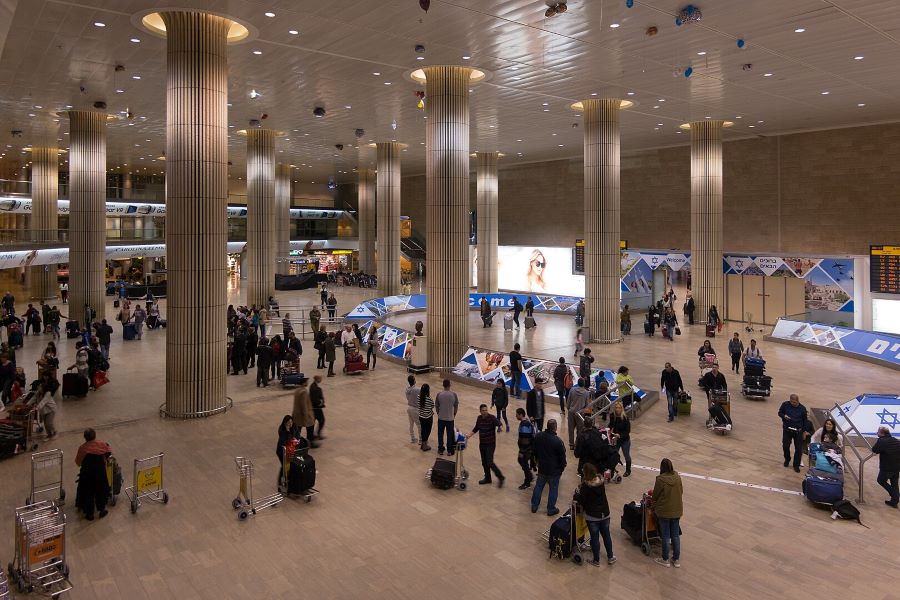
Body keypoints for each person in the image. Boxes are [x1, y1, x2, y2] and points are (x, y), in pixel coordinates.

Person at [574, 463, 616, 567]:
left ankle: (596, 560)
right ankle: (610, 557)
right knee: (606, 536)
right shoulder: (601, 482)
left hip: (592, 516)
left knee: (595, 538)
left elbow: (581, 500)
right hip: (605, 513)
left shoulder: (586, 486)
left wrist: (577, 494)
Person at [530, 419, 566, 516]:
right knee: (553, 489)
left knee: (539, 486)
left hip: (542, 468)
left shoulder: (538, 436)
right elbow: (562, 457)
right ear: (555, 427)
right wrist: (562, 468)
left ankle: (534, 505)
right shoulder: (558, 441)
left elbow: (534, 451)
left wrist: (537, 462)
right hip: (554, 471)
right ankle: (550, 509)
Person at [652, 458, 684, 568]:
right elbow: (681, 491)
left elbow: (655, 495)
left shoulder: (660, 479)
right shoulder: (677, 477)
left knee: (665, 536)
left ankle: (665, 559)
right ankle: (676, 559)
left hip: (664, 511)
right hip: (677, 510)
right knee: (675, 535)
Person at [75, 428, 111, 520]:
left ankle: (89, 514)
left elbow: (78, 462)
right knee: (101, 489)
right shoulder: (102, 444)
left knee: (88, 491)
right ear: (95, 435)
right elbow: (108, 451)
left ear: (85, 438)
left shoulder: (82, 448)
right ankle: (102, 510)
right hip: (100, 472)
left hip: (87, 474)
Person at [466, 404, 505, 487]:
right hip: (482, 444)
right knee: (484, 462)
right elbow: (476, 428)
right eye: (483, 410)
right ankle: (488, 478)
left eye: (486, 410)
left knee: (490, 462)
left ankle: (500, 477)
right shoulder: (479, 418)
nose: (485, 412)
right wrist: (469, 435)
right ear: (480, 411)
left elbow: (499, 423)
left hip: (490, 444)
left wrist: (500, 427)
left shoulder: (492, 417)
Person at [778, 394, 808, 472]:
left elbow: (805, 421)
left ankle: (796, 465)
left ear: (798, 401)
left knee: (798, 449)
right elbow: (780, 413)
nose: (793, 404)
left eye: (794, 402)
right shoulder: (785, 404)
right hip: (787, 430)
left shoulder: (803, 409)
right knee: (785, 446)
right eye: (791, 402)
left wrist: (804, 431)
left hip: (798, 431)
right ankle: (787, 459)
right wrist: (784, 416)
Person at [872, 426, 900, 508]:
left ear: (881, 433)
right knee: (894, 483)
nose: (877, 433)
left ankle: (895, 496)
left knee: (881, 480)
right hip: (897, 466)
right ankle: (894, 501)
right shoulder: (895, 440)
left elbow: (874, 449)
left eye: (878, 432)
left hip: (887, 467)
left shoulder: (882, 440)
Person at [292, 377, 318, 448]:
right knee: (310, 428)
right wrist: (306, 416)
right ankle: (310, 443)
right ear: (303, 383)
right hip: (303, 415)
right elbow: (304, 405)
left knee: (297, 430)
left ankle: (296, 443)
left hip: (297, 414)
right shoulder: (304, 392)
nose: (307, 383)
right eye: (307, 382)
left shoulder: (297, 390)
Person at [435, 379, 459, 456]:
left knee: (440, 434)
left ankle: (440, 449)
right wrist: (454, 414)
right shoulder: (454, 394)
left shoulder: (439, 394)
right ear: (449, 385)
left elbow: (436, 405)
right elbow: (456, 405)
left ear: (443, 385)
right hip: (450, 419)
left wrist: (438, 413)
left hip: (441, 418)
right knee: (449, 434)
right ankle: (449, 450)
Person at [609, 400, 632, 477]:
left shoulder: (625, 418)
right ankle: (612, 470)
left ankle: (628, 470)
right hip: (616, 439)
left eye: (619, 408)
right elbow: (610, 425)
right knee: (614, 455)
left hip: (624, 440)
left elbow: (627, 431)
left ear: (621, 409)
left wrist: (620, 435)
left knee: (626, 455)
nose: (617, 409)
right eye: (616, 407)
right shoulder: (612, 416)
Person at [566, 378, 591, 449]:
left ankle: (571, 444)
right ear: (584, 384)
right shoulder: (586, 393)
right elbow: (587, 405)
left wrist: (569, 409)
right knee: (580, 430)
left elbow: (568, 401)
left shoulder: (572, 390)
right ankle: (577, 443)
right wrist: (582, 410)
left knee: (571, 429)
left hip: (571, 412)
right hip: (580, 413)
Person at [515, 408, 537, 489]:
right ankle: (530, 477)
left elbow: (525, 440)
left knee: (523, 463)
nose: (516, 416)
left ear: (521, 415)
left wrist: (521, 451)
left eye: (517, 414)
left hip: (526, 449)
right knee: (523, 463)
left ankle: (527, 482)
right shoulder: (526, 422)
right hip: (528, 449)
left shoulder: (524, 425)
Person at [418, 383, 434, 452]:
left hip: (421, 417)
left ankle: (423, 443)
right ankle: (424, 445)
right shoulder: (429, 399)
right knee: (428, 430)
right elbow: (432, 406)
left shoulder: (418, 397)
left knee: (423, 429)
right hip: (428, 418)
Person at [405, 375, 421, 444]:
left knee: (411, 424)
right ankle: (421, 440)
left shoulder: (406, 390)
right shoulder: (417, 389)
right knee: (419, 425)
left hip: (409, 408)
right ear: (414, 380)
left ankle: (412, 438)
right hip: (415, 409)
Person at [309, 375, 326, 440]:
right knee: (322, 420)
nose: (321, 380)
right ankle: (316, 434)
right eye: (320, 378)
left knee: (313, 422)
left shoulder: (312, 386)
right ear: (317, 379)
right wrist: (321, 403)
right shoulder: (316, 388)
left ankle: (313, 435)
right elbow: (316, 400)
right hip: (316, 408)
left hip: (312, 408)